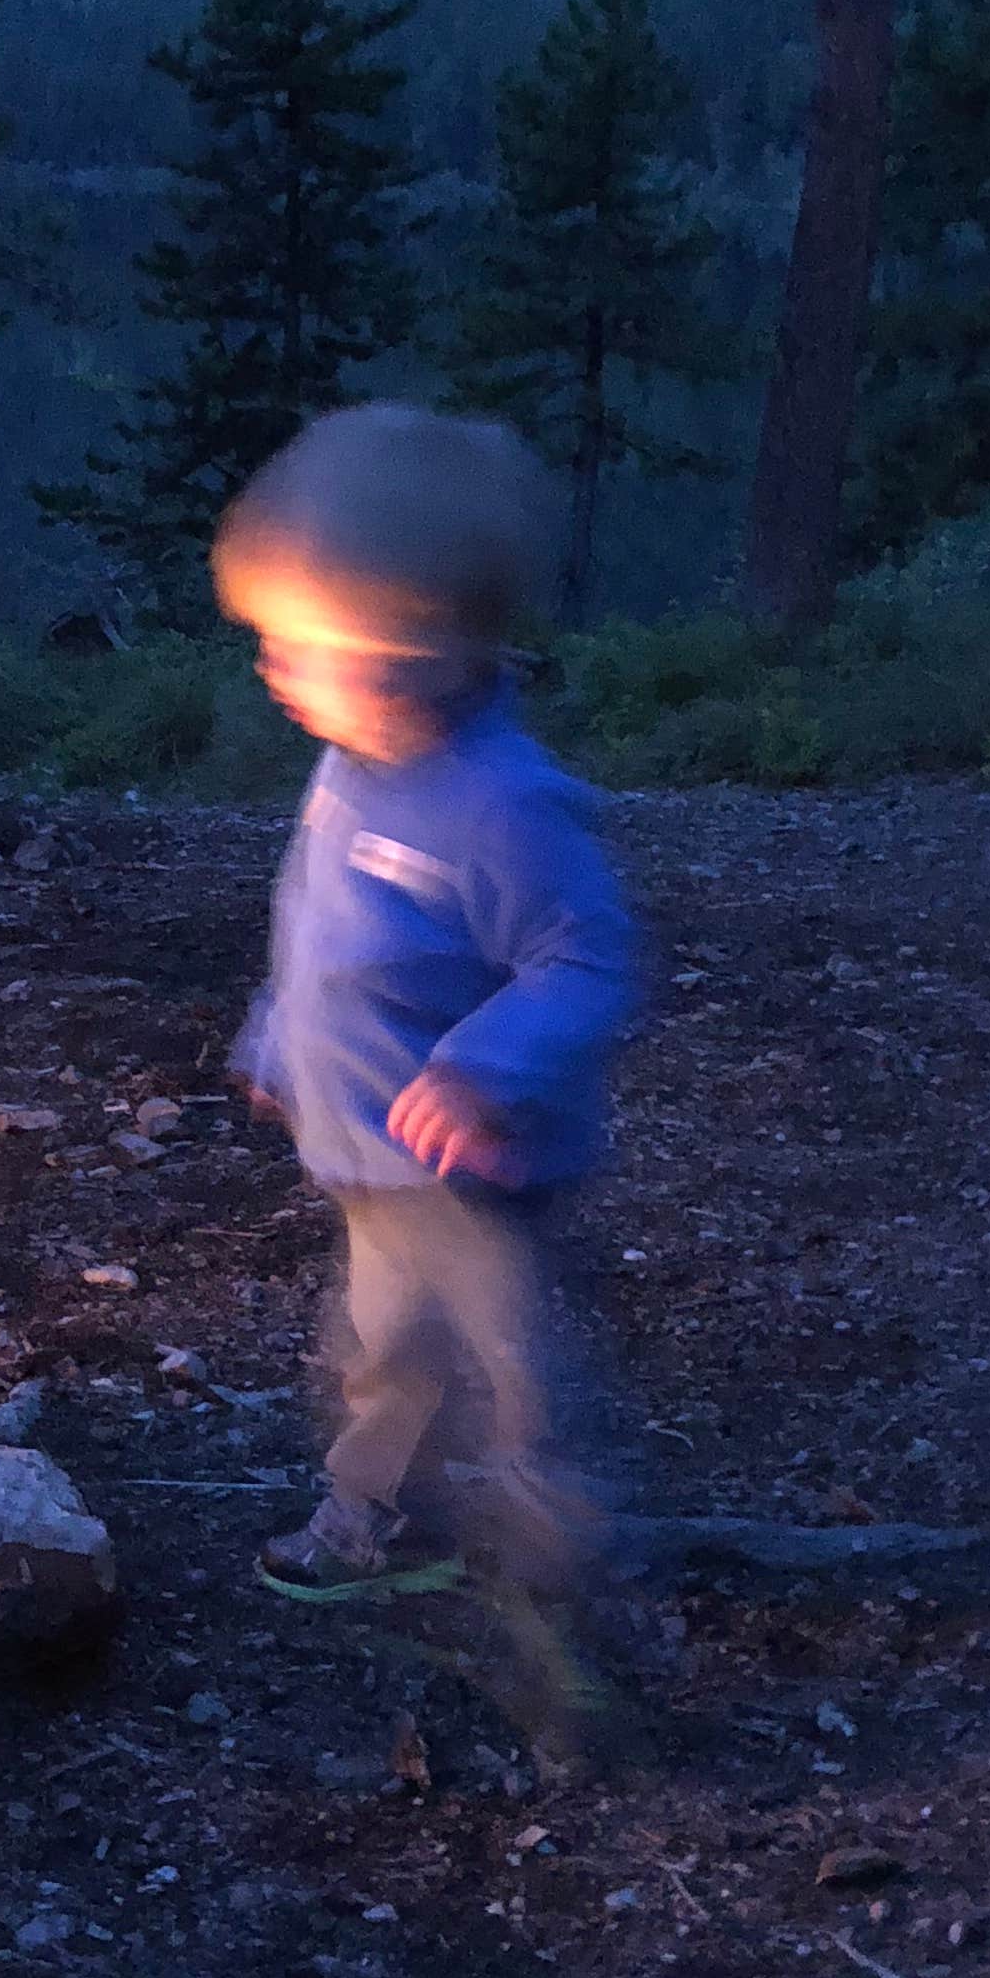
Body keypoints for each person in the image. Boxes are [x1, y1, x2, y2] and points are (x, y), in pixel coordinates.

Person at [217, 403, 642, 1782]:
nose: (278, 674)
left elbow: (588, 958)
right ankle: (373, 1520)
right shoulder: (353, 766)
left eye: (305, 649)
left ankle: (558, 1581)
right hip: (363, 1163)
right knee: (376, 1346)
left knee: (527, 1378)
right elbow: (320, 927)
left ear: (414, 662)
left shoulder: (505, 804)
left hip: (478, 1178)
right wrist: (283, 1034)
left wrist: (487, 1066)